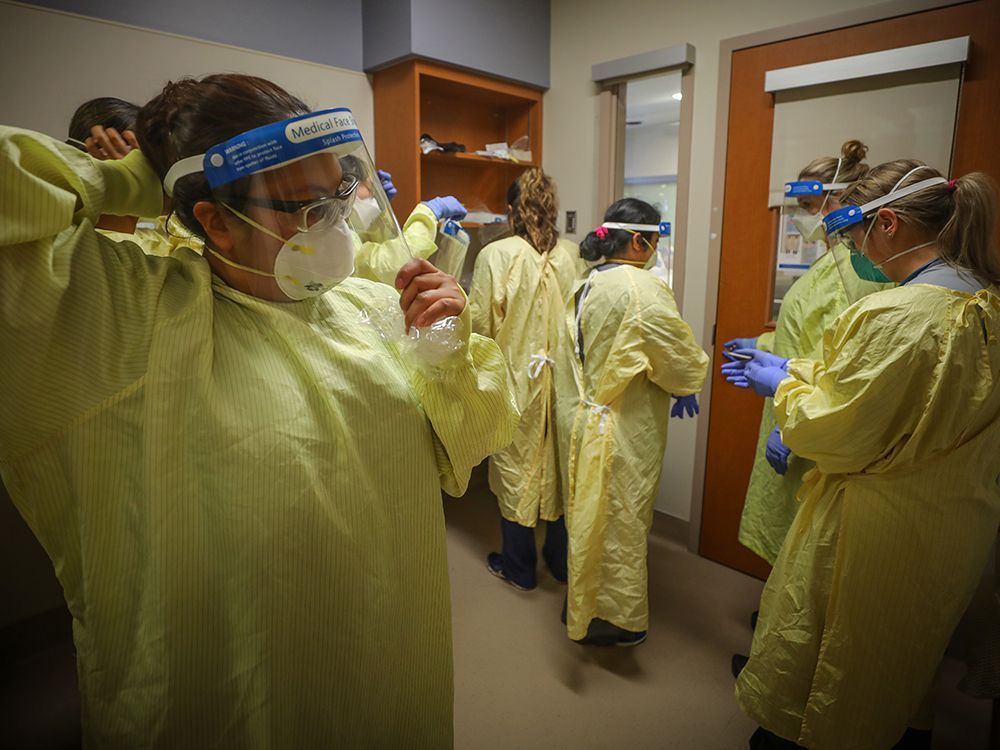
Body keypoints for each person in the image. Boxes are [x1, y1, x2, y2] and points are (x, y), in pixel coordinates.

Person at [0, 73, 519, 748]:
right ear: (214, 217)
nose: (335, 225)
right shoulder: (121, 323)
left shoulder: (369, 308)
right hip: (227, 695)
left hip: (389, 655)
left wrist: (448, 350)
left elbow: (473, 442)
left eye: (339, 196)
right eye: (306, 209)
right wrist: (129, 179)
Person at [722, 162, 1000, 749]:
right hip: (953, 522)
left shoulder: (896, 313)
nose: (851, 251)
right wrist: (796, 367)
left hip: (876, 531)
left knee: (835, 665)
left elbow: (837, 428)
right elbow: (892, 391)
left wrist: (786, 394)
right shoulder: (984, 303)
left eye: (852, 236)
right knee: (903, 664)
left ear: (889, 225)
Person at [726, 140, 890, 676]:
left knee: (811, 558)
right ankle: (778, 637)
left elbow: (845, 360)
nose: (799, 222)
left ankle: (786, 665)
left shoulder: (859, 271)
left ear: (835, 202)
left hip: (814, 424)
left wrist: (790, 424)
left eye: (805, 209)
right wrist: (764, 346)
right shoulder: (834, 264)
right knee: (794, 553)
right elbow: (809, 340)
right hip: (794, 403)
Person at [557, 198, 708, 646]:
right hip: (623, 429)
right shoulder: (642, 290)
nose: (657, 250)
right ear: (639, 241)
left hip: (582, 422)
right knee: (621, 525)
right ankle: (618, 621)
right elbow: (682, 364)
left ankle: (581, 603)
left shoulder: (586, 282)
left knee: (586, 517)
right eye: (656, 241)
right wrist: (684, 385)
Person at [470, 169, 579, 590]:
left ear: (510, 209)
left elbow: (479, 326)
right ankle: (560, 560)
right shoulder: (572, 254)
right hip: (568, 383)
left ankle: (518, 567)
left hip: (518, 381)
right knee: (561, 464)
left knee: (515, 467)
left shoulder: (496, 256)